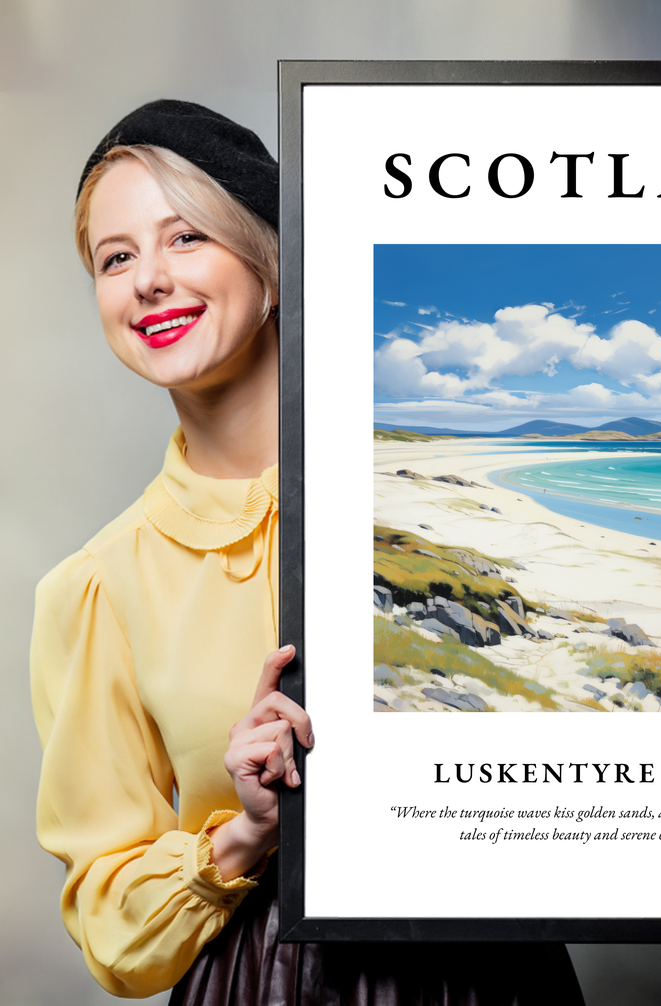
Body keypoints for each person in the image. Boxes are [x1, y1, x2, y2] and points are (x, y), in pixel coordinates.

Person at [30, 100, 586, 1004]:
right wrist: (245, 832)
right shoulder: (97, 586)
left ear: (273, 263)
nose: (148, 281)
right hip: (262, 982)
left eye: (186, 239)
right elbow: (110, 923)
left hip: (494, 973)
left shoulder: (434, 509)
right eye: (116, 257)